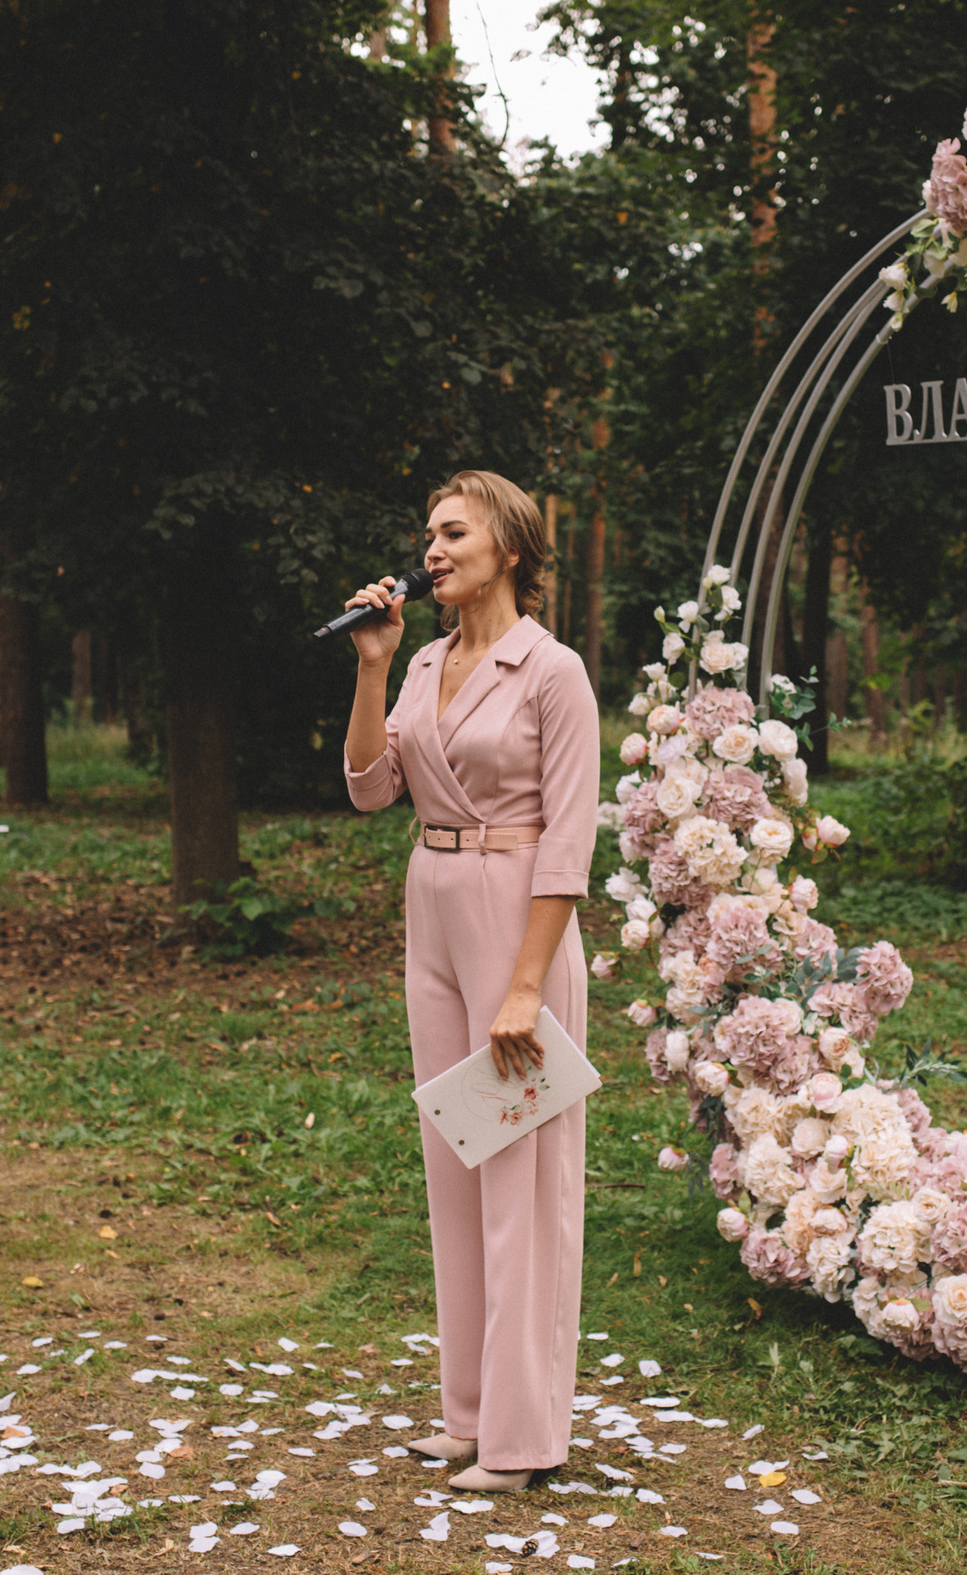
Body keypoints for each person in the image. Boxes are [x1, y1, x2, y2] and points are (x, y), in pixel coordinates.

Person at [341, 470, 598, 1493]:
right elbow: (369, 789)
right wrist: (373, 666)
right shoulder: (425, 663)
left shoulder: (554, 670)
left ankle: (525, 1438)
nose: (432, 550)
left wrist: (526, 986)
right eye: (428, 535)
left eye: (453, 533)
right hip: (432, 909)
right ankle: (468, 1417)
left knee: (521, 1185)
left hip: (515, 917)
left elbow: (569, 843)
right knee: (455, 1169)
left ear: (511, 548)